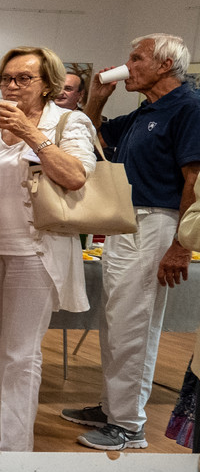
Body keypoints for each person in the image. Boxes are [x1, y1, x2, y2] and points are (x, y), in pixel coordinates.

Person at [63, 34, 200, 450]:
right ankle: (113, 407)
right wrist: (98, 98)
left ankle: (128, 424)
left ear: (163, 65)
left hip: (158, 222)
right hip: (128, 222)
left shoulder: (188, 107)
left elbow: (194, 178)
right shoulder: (147, 111)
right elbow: (93, 138)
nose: (128, 64)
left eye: (136, 58)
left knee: (135, 324)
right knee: (116, 320)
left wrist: (182, 245)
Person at [0, 47, 95, 452]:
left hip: (35, 250)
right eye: (6, 79)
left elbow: (75, 177)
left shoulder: (70, 122)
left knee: (20, 352)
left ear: (49, 84)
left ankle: (15, 446)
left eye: (23, 79)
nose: (12, 86)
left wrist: (32, 133)